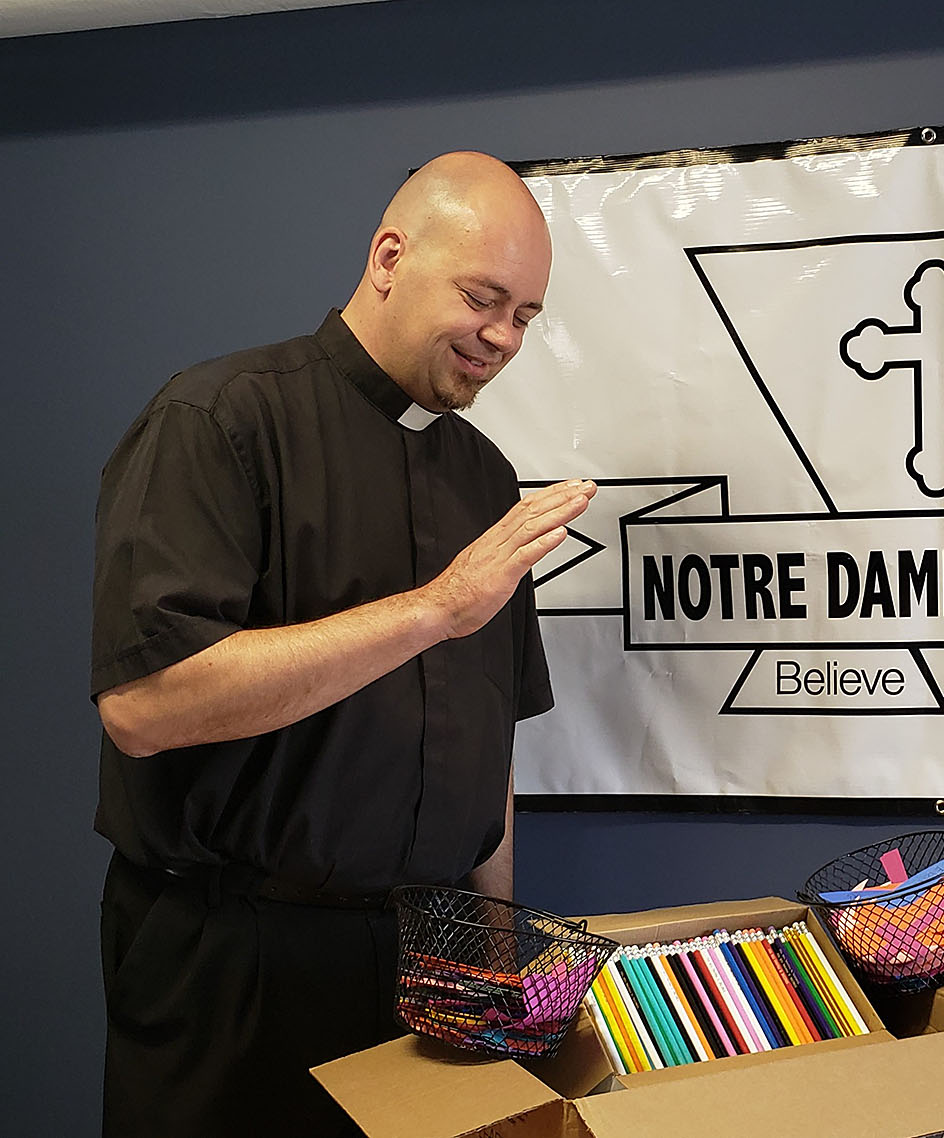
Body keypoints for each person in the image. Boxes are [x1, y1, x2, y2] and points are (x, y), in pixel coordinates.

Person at [89, 151, 594, 1138]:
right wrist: (435, 609)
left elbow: (485, 745)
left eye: (526, 316)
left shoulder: (485, 480)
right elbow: (145, 706)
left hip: (428, 964)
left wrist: (494, 941)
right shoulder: (220, 422)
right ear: (389, 256)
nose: (502, 335)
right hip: (237, 967)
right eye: (483, 297)